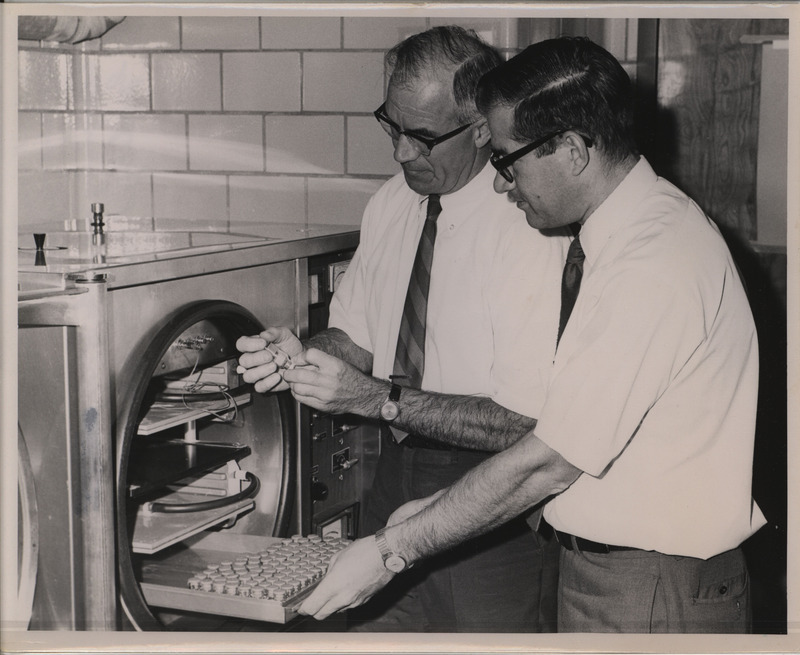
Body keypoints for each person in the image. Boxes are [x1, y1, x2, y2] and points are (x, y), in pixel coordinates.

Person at [296, 36, 767, 633]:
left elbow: (549, 460)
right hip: (612, 570)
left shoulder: (654, 260)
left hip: (652, 584)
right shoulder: (622, 239)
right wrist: (429, 513)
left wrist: (395, 550)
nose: (499, 184)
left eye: (508, 160)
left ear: (571, 149)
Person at [236, 26, 570, 633]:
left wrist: (378, 400)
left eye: (420, 137)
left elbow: (527, 425)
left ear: (479, 128)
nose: (399, 153)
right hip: (394, 474)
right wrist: (298, 354)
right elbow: (356, 340)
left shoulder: (531, 222)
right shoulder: (392, 202)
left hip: (490, 498)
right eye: (391, 125)